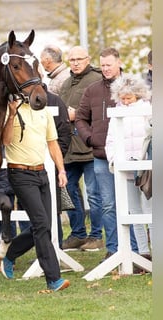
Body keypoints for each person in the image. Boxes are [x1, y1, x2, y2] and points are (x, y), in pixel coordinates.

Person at [0, 86, 71, 274]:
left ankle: (10, 253)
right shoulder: (10, 109)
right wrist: (12, 115)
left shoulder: (44, 111)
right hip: (20, 174)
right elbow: (5, 142)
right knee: (41, 224)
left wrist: (61, 170)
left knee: (46, 224)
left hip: (42, 173)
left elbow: (52, 143)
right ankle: (53, 277)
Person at [75, 47, 138, 261]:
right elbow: (81, 118)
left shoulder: (133, 86)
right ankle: (113, 250)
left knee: (131, 204)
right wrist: (90, 139)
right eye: (102, 65)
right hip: (102, 156)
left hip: (130, 156)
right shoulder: (92, 90)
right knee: (108, 204)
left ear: (118, 63)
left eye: (109, 64)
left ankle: (137, 250)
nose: (105, 69)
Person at [58, 46, 104, 251]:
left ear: (88, 59)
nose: (75, 63)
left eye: (79, 59)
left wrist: (79, 115)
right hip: (69, 149)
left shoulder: (96, 79)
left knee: (94, 193)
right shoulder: (66, 83)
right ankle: (78, 234)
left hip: (89, 146)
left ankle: (96, 235)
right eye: (72, 59)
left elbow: (103, 112)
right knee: (67, 190)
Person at [105, 73, 152, 261]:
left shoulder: (148, 110)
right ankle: (143, 253)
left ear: (137, 95)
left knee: (150, 210)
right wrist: (115, 160)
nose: (125, 101)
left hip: (146, 169)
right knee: (133, 211)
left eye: (129, 98)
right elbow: (111, 140)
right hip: (125, 168)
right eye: (122, 98)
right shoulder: (116, 113)